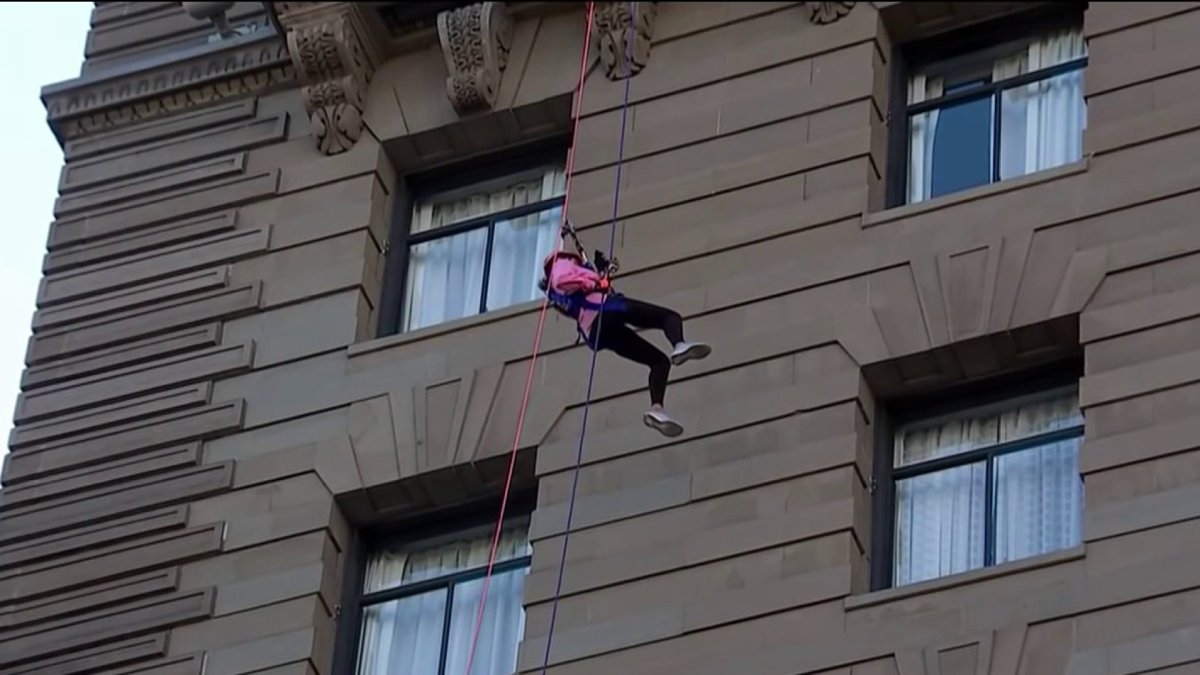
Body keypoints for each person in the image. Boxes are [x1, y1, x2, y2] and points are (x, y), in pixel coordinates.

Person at [539, 243, 711, 437]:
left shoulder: (558, 297)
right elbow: (565, 279)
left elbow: (578, 291)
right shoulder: (560, 265)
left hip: (598, 333)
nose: (573, 261)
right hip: (607, 311)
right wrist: (595, 282)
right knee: (669, 317)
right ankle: (679, 344)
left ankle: (657, 409)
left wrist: (599, 277)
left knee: (659, 362)